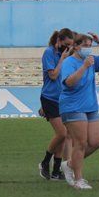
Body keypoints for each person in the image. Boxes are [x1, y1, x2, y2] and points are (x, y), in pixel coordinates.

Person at [58, 33, 99, 190]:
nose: (88, 49)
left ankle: (69, 164)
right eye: (85, 46)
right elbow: (69, 82)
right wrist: (84, 67)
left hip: (90, 106)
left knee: (96, 142)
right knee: (81, 142)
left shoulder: (92, 60)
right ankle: (78, 179)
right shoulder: (70, 62)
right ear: (76, 46)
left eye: (90, 46)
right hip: (73, 106)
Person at [38, 28, 76, 180]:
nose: (67, 48)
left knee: (64, 135)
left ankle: (56, 171)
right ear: (59, 40)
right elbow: (53, 75)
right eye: (66, 44)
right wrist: (62, 59)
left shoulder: (63, 54)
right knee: (62, 133)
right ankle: (45, 162)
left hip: (61, 98)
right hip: (50, 98)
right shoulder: (49, 53)